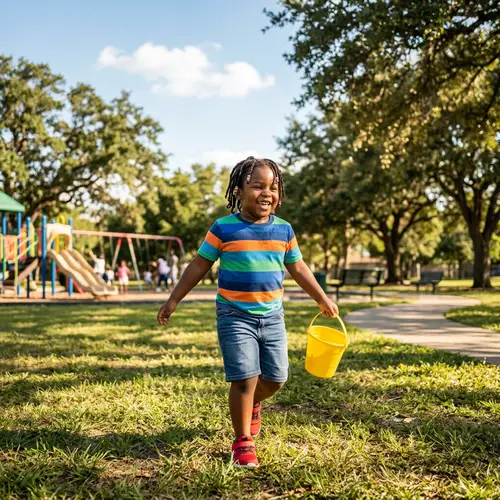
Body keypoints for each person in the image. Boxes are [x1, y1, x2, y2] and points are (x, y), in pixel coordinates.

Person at [157, 157, 338, 468]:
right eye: (258, 186)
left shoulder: (284, 230)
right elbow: (199, 264)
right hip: (234, 314)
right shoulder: (224, 228)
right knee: (244, 378)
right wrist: (174, 299)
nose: (267, 193)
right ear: (239, 191)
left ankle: (252, 403)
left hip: (273, 316)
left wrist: (321, 298)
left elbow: (298, 267)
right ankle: (242, 441)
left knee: (277, 378)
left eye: (273, 187)